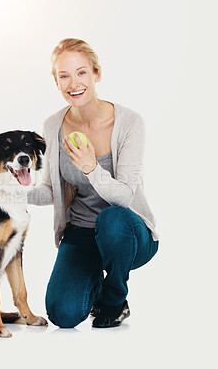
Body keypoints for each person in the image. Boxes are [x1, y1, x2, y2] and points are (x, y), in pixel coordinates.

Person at [27, 38, 159, 328]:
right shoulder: (53, 125)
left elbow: (124, 197)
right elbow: (50, 189)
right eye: (64, 76)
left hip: (128, 233)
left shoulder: (129, 123)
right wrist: (12, 191)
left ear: (96, 74)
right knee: (63, 314)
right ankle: (94, 279)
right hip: (82, 232)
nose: (73, 83)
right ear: (57, 82)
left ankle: (113, 301)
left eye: (82, 72)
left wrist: (90, 167)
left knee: (111, 219)